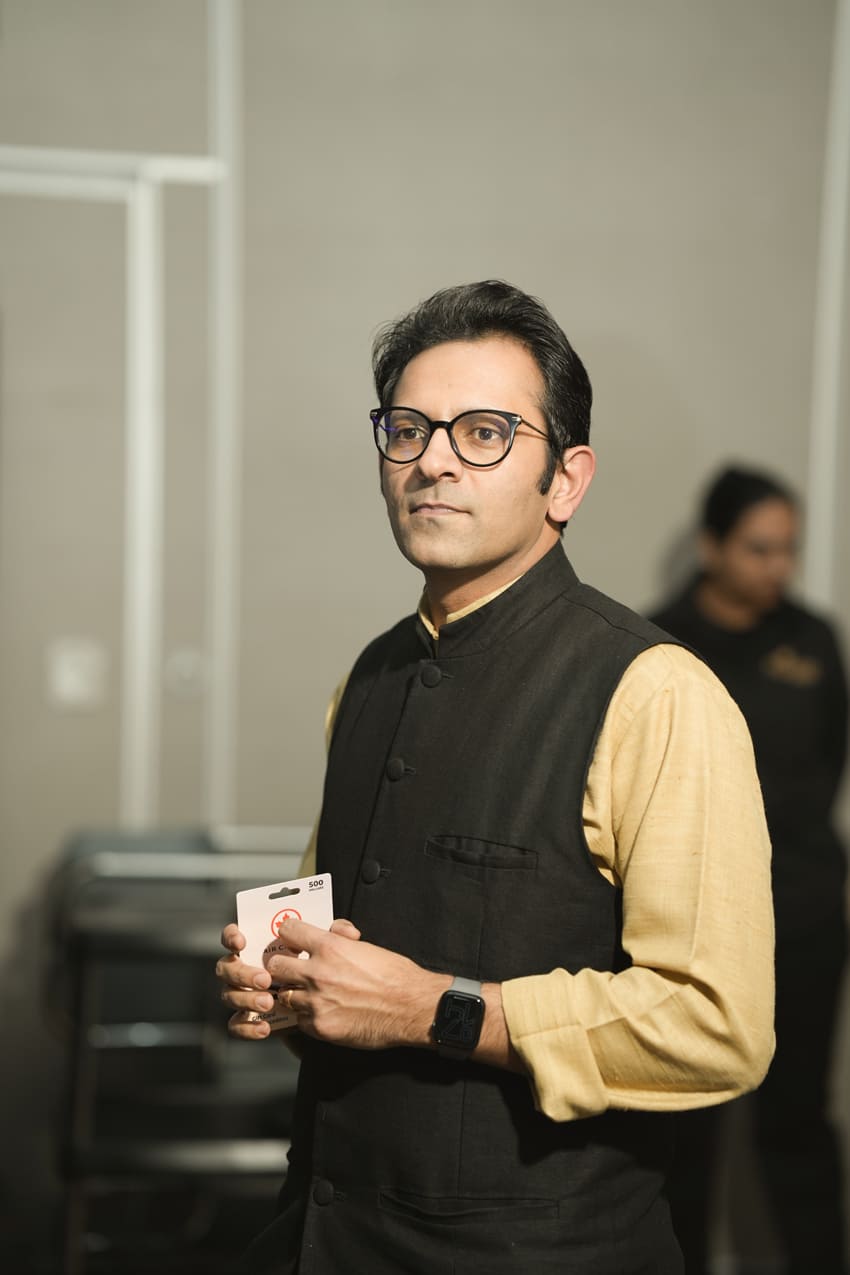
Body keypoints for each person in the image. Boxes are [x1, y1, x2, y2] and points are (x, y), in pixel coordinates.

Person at [217, 281, 775, 1275]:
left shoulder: (654, 692)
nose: (432, 460)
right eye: (407, 429)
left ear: (566, 481)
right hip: (325, 1235)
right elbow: (347, 974)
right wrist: (290, 985)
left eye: (483, 433)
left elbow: (716, 1027)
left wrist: (431, 1007)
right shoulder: (371, 676)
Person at [650, 466, 849, 1275]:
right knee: (681, 1130)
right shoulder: (658, 642)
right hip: (691, 927)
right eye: (759, 548)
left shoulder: (812, 638)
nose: (778, 567)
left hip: (802, 921)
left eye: (788, 549)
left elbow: (829, 757)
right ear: (712, 547)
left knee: (796, 1124)